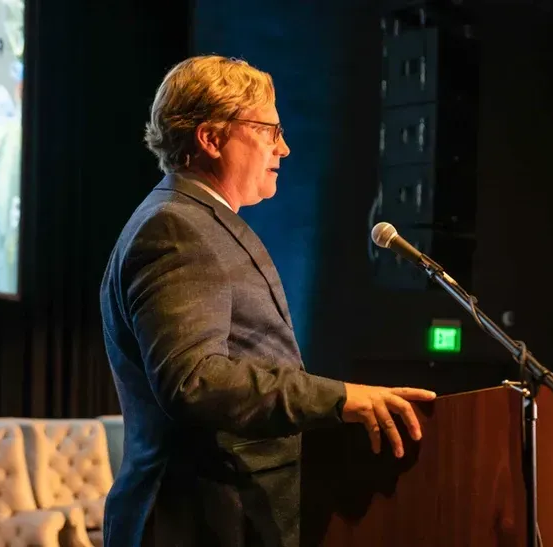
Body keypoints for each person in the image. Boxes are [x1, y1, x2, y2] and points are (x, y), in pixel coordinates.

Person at [99, 55, 437, 547]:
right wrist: (341, 398)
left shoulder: (194, 220)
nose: (284, 146)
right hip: (200, 523)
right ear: (211, 139)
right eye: (268, 129)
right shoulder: (176, 229)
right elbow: (195, 380)